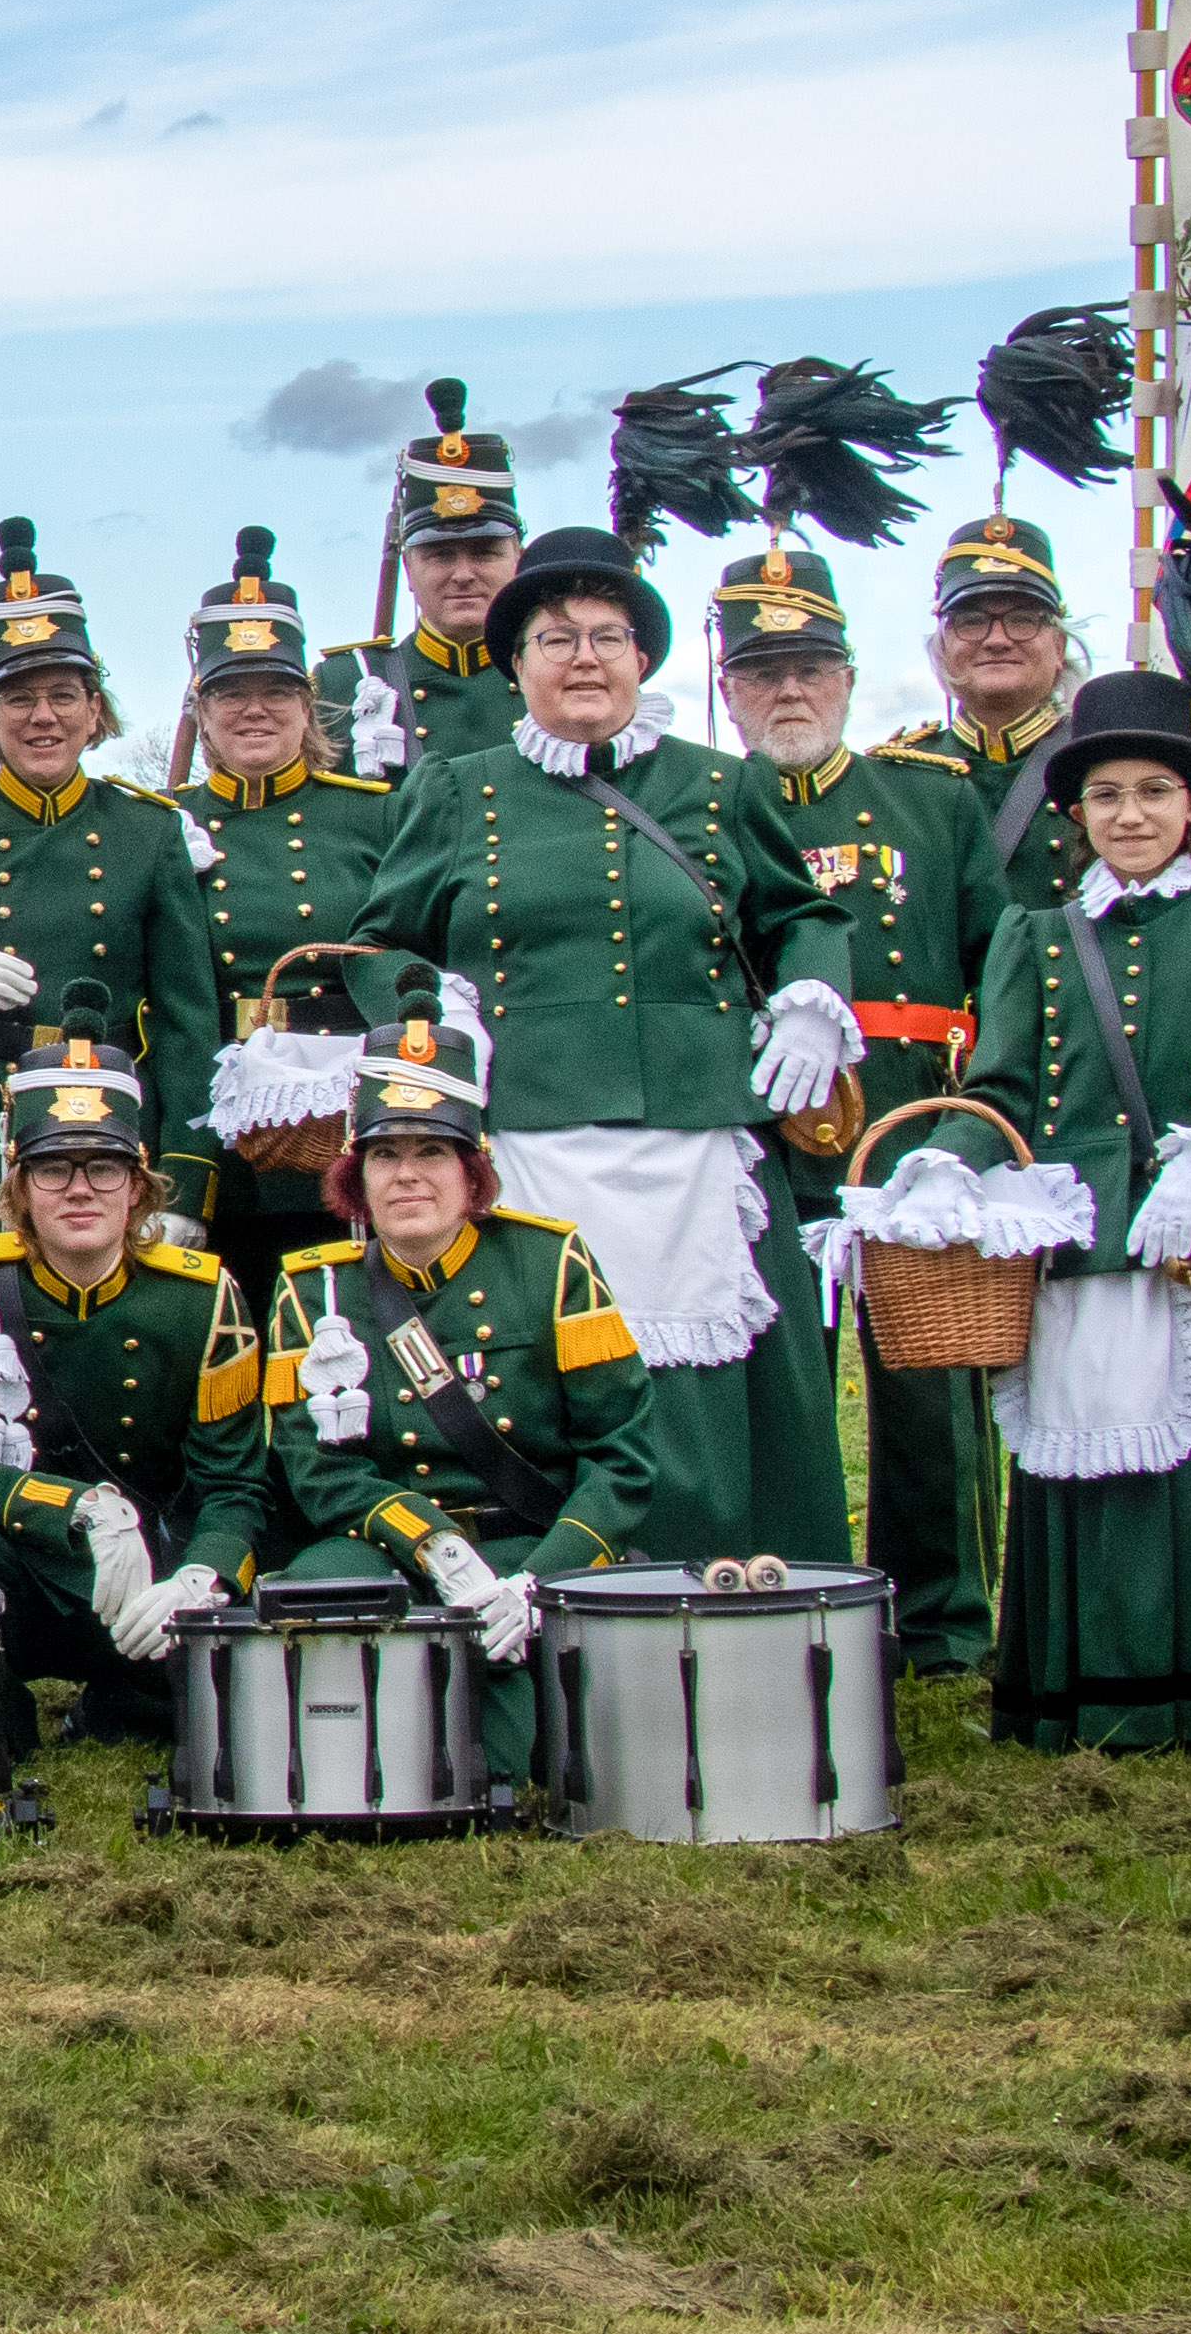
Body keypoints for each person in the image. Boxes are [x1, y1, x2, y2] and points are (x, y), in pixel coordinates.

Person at [356, 524, 863, 1573]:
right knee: (563, 1382)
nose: (584, 657)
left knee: (724, 1396)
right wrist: (423, 1003)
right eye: (555, 638)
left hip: (705, 1132)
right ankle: (573, 1606)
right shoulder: (457, 787)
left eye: (607, 635)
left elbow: (805, 913)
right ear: (517, 665)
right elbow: (376, 941)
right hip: (533, 1137)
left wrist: (815, 993)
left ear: (642, 656)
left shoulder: (727, 787)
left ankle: (749, 1600)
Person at [957, 671, 1191, 1755]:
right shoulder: (1033, 936)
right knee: (1073, 1466)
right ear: (1075, 813)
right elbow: (1000, 1094)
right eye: (1107, 794)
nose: (1130, 815)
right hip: (1076, 1246)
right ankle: (1072, 1696)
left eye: (1154, 792)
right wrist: (945, 1163)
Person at [250, 959, 679, 1773]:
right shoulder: (315, 1289)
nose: (408, 1175)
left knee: (501, 1752)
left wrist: (540, 1581)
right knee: (317, 1602)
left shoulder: (552, 1262)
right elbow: (313, 1466)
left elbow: (622, 1461)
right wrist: (435, 1544)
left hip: (525, 1547)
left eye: (431, 1153)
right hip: (387, 1548)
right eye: (384, 1156)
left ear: (471, 1170)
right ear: (357, 1179)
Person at [719, 539, 1008, 1678]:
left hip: (910, 1131)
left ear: (848, 674)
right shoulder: (702, 800)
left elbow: (999, 974)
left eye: (811, 666)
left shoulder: (930, 800)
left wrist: (973, 1128)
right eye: (763, 669)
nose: (789, 690)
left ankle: (941, 1624)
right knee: (781, 1394)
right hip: (767, 1144)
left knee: (932, 1399)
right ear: (728, 684)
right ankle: (798, 1602)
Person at [0, 984, 281, 1751]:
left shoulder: (200, 1298)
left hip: (151, 1577)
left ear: (139, 1186)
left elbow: (233, 1488)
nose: (80, 1190)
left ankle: (128, 1698)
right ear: (18, 1185)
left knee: (223, 1710)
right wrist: (84, 1510)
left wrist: (201, 1580)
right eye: (53, 1168)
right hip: (28, 1563)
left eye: (104, 1168)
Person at [0, 521, 217, 1239]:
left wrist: (183, 1181)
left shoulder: (149, 833)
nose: (42, 716)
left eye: (62, 694)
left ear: (94, 711)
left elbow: (188, 1025)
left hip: (109, 1130)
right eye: (19, 697)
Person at [172, 524, 394, 1315]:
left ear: (309, 704)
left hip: (338, 1117)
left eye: (277, 691)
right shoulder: (163, 823)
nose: (255, 710)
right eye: (231, 692)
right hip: (217, 1124)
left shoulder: (377, 817)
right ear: (201, 709)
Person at [314, 381, 528, 778]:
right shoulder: (346, 684)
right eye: (440, 556)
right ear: (409, 570)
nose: (463, 575)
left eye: (484, 553)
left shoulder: (563, 670)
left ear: (519, 558)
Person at [875, 510, 1090, 903]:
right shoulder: (892, 778)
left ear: (1058, 648)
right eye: (972, 621)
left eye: (1023, 619)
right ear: (943, 648)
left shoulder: (1102, 759)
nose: (997, 639)